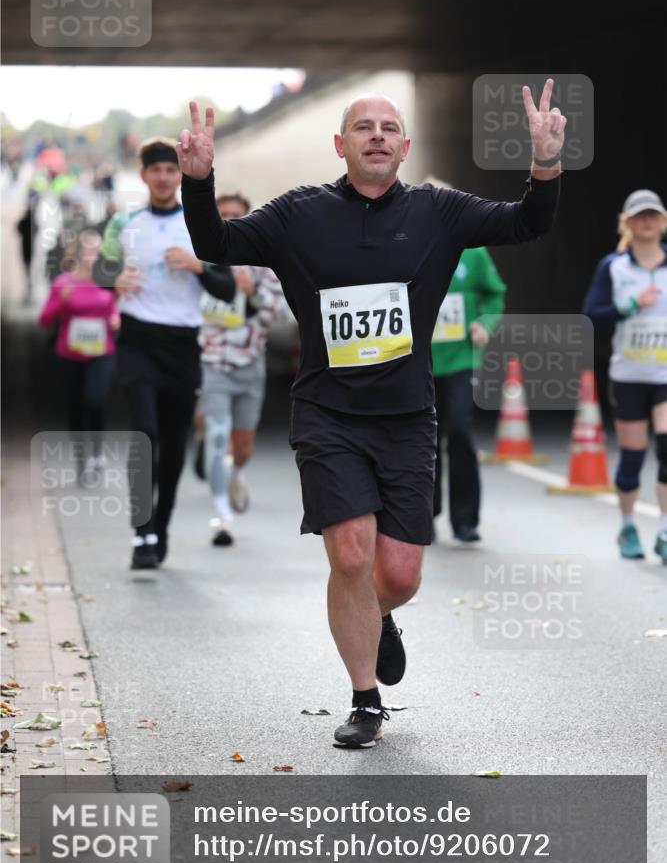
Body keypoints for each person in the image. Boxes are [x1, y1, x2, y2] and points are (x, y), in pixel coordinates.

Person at [179, 81, 564, 748]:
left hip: (407, 417)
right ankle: (365, 700)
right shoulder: (300, 214)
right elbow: (216, 240)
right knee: (351, 556)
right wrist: (198, 178)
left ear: (405, 145)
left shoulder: (439, 211)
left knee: (397, 576)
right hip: (327, 413)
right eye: (363, 127)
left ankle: (375, 616)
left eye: (389, 126)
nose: (377, 135)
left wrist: (545, 164)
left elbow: (527, 222)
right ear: (341, 144)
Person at [93, 137, 235, 570]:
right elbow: (101, 270)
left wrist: (197, 266)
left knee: (173, 443)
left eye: (171, 170)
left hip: (182, 343)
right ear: (143, 175)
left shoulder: (199, 226)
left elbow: (227, 289)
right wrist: (112, 283)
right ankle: (142, 534)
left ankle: (161, 525)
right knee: (145, 435)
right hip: (137, 338)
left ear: (179, 175)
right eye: (155, 170)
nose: (163, 177)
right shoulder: (125, 223)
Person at [193, 192, 285, 547]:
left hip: (250, 363)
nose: (229, 219)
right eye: (223, 214)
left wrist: (252, 295)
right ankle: (222, 516)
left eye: (236, 215)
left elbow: (279, 314)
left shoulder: (262, 265)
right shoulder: (203, 260)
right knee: (217, 438)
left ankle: (236, 472)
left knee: (241, 446)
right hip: (212, 362)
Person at [582, 189, 667, 564]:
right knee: (632, 457)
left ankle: (664, 529)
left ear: (662, 222)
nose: (647, 221)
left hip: (664, 374)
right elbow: (592, 314)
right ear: (628, 223)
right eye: (640, 216)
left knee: (665, 449)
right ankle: (628, 525)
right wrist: (631, 305)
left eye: (654, 215)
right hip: (629, 374)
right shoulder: (613, 267)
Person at [430, 238, 506, 542]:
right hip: (418, 361)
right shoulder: (408, 244)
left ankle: (465, 520)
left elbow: (495, 294)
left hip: (460, 359)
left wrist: (484, 324)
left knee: (460, 430)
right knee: (423, 440)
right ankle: (423, 516)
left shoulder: (472, 253)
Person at [38, 227, 118, 478]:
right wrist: (61, 301)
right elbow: (44, 320)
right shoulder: (64, 283)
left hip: (101, 353)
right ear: (78, 253)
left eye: (98, 250)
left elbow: (115, 309)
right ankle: (81, 456)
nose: (93, 255)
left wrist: (115, 319)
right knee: (75, 407)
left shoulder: (107, 282)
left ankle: (97, 453)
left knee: (95, 400)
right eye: (89, 250)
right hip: (70, 354)